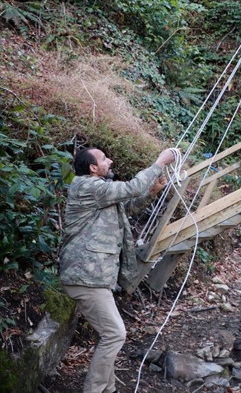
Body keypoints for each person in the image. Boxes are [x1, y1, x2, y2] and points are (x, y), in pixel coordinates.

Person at [60, 146, 176, 393]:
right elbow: (131, 188)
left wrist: (153, 191)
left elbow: (129, 206)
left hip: (94, 278)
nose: (110, 161)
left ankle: (109, 388)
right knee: (115, 334)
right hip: (85, 277)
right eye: (104, 159)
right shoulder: (86, 186)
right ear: (93, 167)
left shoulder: (100, 193)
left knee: (110, 335)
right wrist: (159, 162)